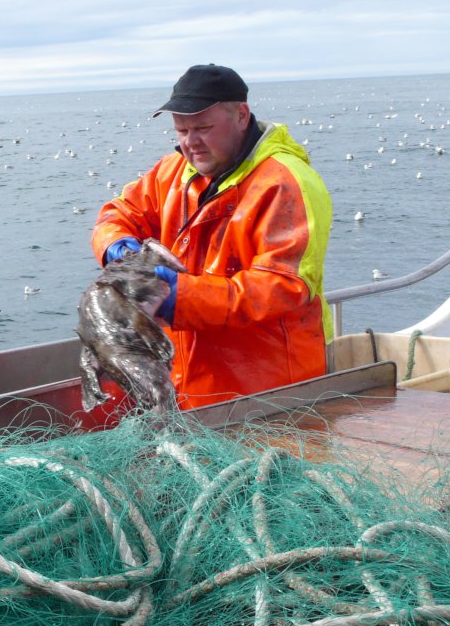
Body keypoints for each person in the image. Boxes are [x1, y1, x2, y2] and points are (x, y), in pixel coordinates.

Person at [90, 64, 332, 410]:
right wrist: (116, 247)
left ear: (242, 115)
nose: (191, 142)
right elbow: (118, 214)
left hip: (270, 390)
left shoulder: (285, 183)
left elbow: (280, 287)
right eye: (182, 130)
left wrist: (177, 297)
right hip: (188, 383)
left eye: (203, 128)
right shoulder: (173, 170)